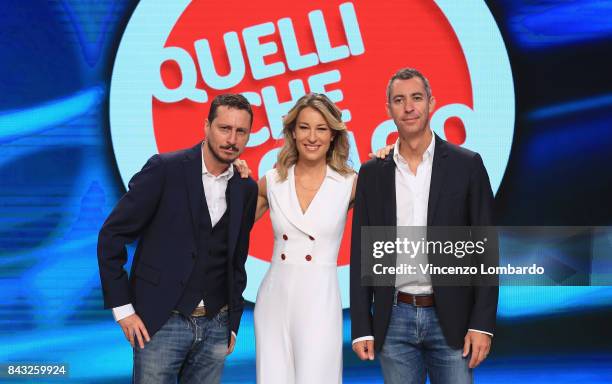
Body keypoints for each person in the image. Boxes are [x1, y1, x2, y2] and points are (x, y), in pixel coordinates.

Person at [350, 68, 498, 384]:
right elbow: (363, 252)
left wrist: (482, 323)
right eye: (399, 100)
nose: (408, 107)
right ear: (388, 109)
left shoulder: (466, 164)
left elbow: (486, 250)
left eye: (416, 98)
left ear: (431, 102)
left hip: (454, 320)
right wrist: (362, 325)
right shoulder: (373, 173)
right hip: (394, 319)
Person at [97, 94, 258, 384]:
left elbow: (237, 260)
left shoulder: (245, 189)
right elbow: (112, 235)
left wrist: (231, 325)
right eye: (224, 128)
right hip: (160, 321)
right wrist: (123, 310)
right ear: (206, 126)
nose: (232, 139)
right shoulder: (164, 169)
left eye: (240, 132)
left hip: (216, 325)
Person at [253, 93, 357, 383]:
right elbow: (229, 229)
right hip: (275, 297)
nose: (312, 137)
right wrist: (233, 178)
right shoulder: (273, 180)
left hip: (319, 297)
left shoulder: (349, 183)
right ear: (293, 131)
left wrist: (390, 154)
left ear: (333, 134)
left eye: (321, 128)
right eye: (304, 127)